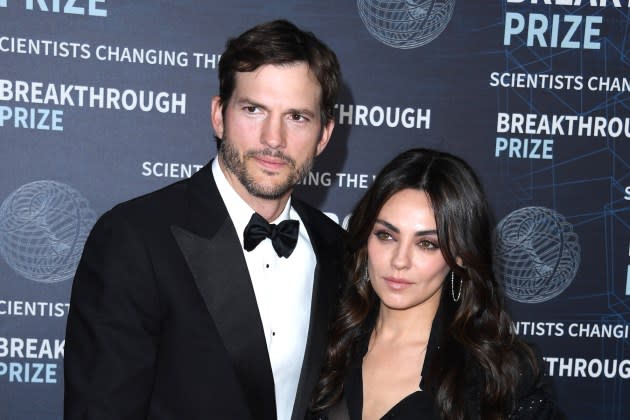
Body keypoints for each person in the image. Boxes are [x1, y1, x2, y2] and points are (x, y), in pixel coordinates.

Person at [64, 19, 344, 420]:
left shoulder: (335, 247)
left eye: (297, 117)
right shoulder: (133, 238)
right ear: (218, 115)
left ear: (324, 135)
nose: (273, 139)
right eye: (253, 109)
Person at [309, 148, 565, 420]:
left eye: (426, 244)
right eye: (386, 235)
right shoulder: (323, 341)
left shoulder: (498, 374)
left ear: (460, 255)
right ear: (365, 238)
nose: (399, 260)